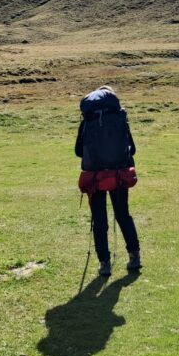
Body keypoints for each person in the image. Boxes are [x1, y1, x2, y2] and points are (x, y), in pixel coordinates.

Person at [75, 86, 141, 277]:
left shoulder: (89, 120)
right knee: (122, 215)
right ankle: (134, 256)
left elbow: (79, 150)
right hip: (119, 172)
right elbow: (132, 149)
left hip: (95, 176)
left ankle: (104, 263)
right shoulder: (119, 117)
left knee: (100, 220)